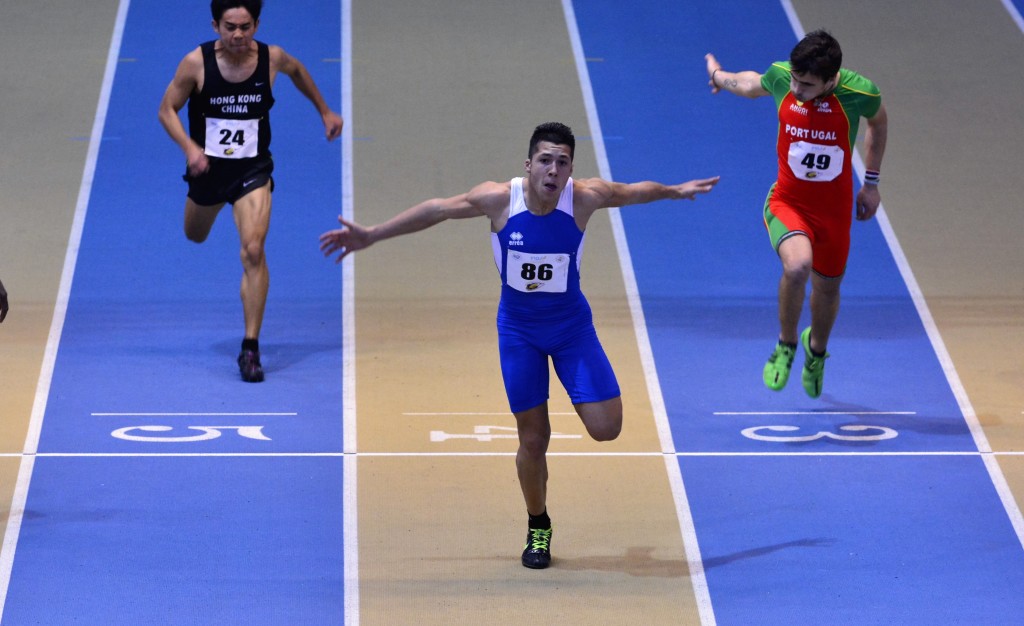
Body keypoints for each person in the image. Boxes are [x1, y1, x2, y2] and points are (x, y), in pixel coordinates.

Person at [320, 122, 718, 569]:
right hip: (519, 333)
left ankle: (573, 405)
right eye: (545, 160)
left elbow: (633, 191)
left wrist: (675, 190)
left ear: (571, 170)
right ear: (528, 165)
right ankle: (538, 526)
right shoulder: (498, 200)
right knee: (534, 439)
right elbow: (437, 209)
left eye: (562, 162)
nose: (553, 170)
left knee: (607, 428)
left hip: (571, 330)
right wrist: (372, 234)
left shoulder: (585, 198)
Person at [158, 0, 343, 382]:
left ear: (256, 25)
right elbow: (166, 110)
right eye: (230, 27)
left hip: (252, 170)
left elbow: (298, 71)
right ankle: (207, 198)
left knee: (254, 249)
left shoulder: (271, 59)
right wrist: (191, 150)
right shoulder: (196, 63)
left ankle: (250, 349)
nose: (238, 35)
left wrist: (324, 110)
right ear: (215, 25)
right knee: (194, 235)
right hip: (207, 171)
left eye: (245, 27)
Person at [704, 30, 888, 398]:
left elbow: (879, 122)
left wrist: (870, 183)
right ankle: (786, 343)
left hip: (834, 214)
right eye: (794, 79)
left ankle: (815, 350)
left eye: (806, 84)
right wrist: (718, 77)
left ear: (831, 79)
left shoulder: (860, 93)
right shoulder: (782, 77)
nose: (797, 89)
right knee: (797, 265)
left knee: (828, 288)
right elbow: (750, 83)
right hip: (789, 203)